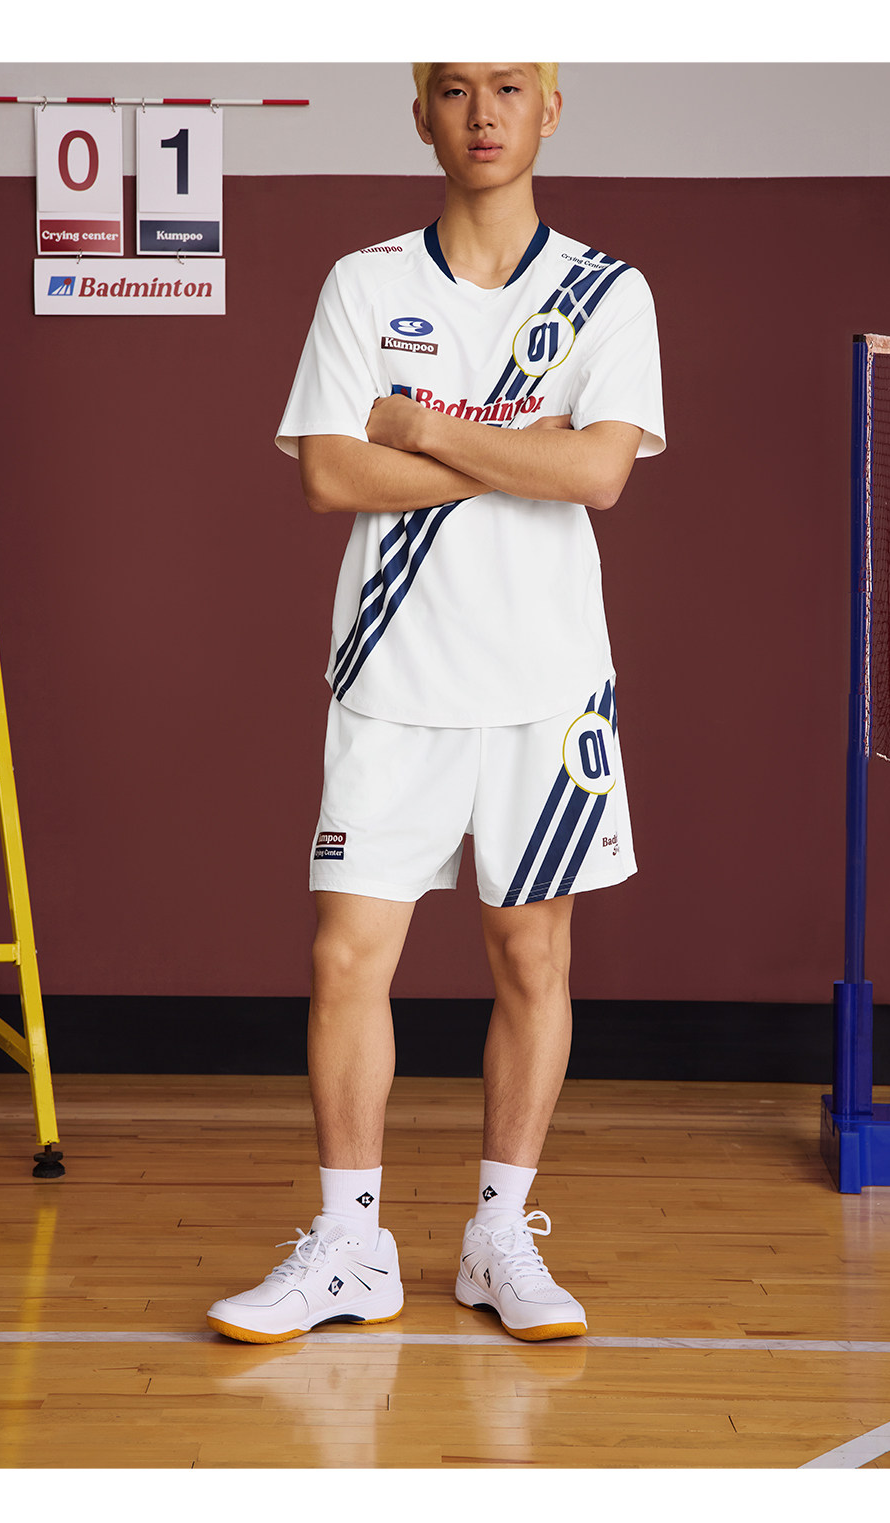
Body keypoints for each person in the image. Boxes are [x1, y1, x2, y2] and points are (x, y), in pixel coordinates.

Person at [207, 61, 665, 1346]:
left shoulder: (606, 292)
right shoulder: (363, 283)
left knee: (532, 958)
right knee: (344, 957)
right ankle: (350, 1247)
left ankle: (495, 1238)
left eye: (509, 88)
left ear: (548, 109)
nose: (482, 113)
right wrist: (519, 447)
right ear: (420, 113)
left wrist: (418, 426)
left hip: (548, 686)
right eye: (454, 90)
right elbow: (329, 475)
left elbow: (598, 474)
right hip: (392, 677)